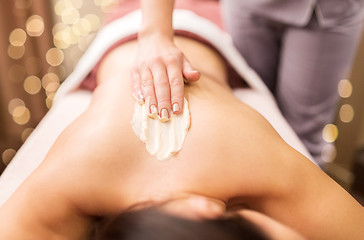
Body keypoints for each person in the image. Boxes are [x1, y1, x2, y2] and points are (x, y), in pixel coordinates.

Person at [0, 5, 363, 238]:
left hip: (159, 31)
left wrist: (156, 33)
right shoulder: (73, 182)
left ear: (205, 210)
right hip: (149, 37)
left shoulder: (253, 162)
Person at [133, 0, 364, 166]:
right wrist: (155, 34)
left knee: (301, 143)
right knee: (251, 113)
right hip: (247, 7)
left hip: (325, 10)